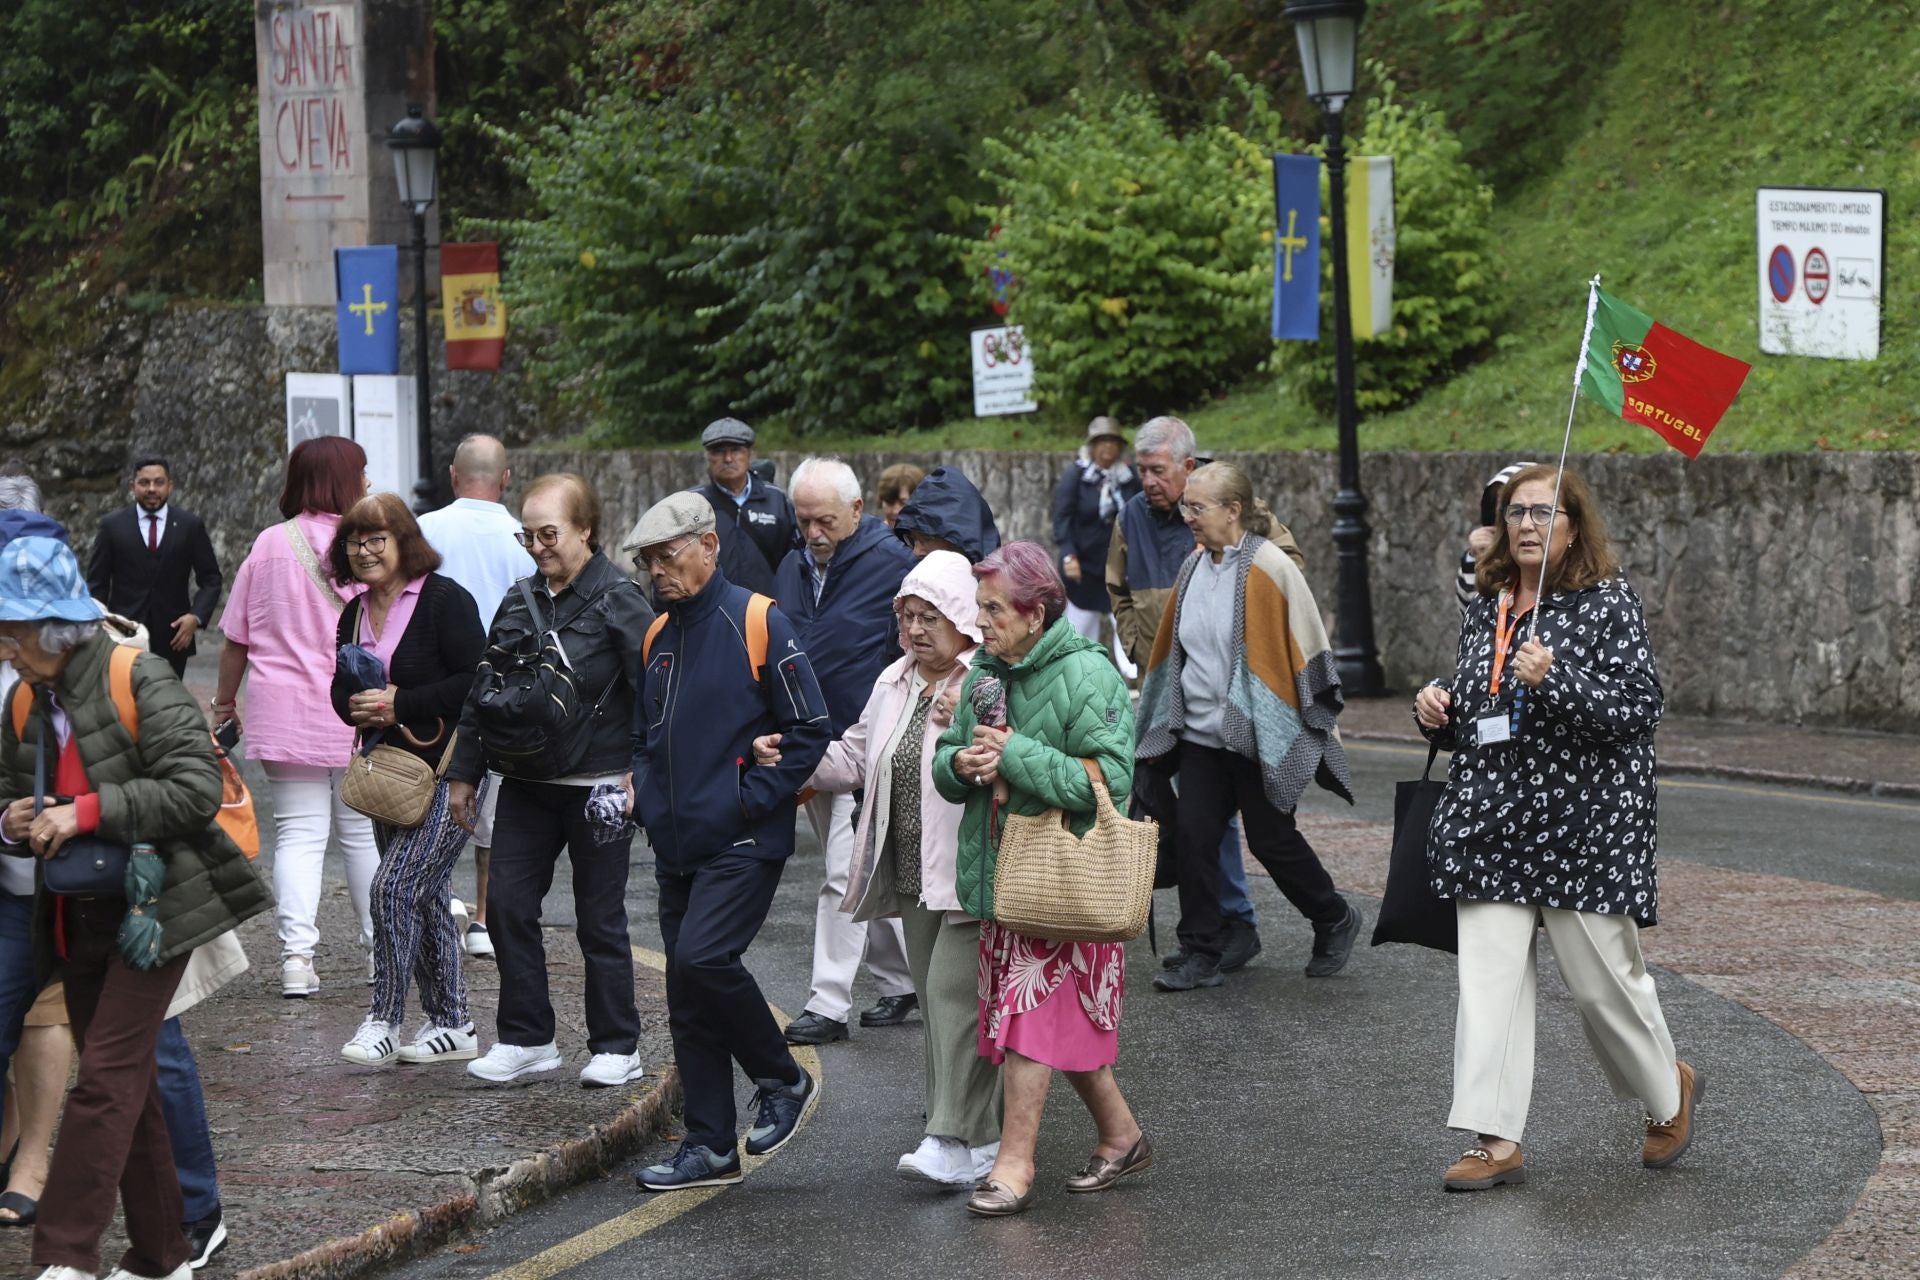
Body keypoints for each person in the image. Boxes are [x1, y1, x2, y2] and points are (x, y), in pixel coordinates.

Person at [1414, 464, 1699, 1191]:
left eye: (1545, 513)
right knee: (1489, 986)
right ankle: (1494, 1137)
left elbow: (1639, 708)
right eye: (1517, 513)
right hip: (1492, 823)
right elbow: (1484, 717)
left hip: (1586, 827)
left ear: (1574, 527)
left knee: (1604, 985)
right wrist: (1440, 711)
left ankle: (1668, 1090)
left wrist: (1557, 680)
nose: (1529, 526)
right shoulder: (1489, 604)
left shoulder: (1607, 601)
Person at [0, 535, 268, 1280]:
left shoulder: (137, 673)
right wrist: (12, 821)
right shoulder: (25, 697)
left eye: (11, 632)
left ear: (52, 629)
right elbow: (7, 795)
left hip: (157, 907)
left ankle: (65, 1256)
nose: (4, 648)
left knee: (107, 1078)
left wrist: (83, 813)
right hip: (71, 913)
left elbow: (195, 792)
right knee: (134, 1085)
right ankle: (159, 1257)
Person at [757, 550, 1001, 1187]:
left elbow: (1007, 753)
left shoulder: (985, 679)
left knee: (952, 999)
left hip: (970, 870)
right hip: (912, 871)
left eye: (931, 617)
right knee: (941, 1002)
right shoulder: (894, 680)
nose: (916, 630)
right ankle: (976, 1138)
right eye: (907, 617)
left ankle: (952, 1136)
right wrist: (785, 761)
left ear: (963, 620)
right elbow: (854, 759)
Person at [930, 542, 1146, 1218]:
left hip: (1065, 879)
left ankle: (1013, 1165)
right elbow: (947, 757)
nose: (981, 621)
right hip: (1006, 877)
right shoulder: (986, 675)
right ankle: (1122, 1135)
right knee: (1060, 1030)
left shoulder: (1091, 675)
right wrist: (960, 764)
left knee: (1027, 1024)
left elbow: (1110, 780)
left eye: (994, 609)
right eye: (980, 606)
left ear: (1036, 612)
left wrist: (1015, 755)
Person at [624, 493, 831, 1191]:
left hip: (743, 840)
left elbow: (809, 728)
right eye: (649, 561)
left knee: (704, 959)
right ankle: (710, 1146)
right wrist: (649, 804)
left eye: (669, 555)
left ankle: (781, 1079)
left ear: (709, 546)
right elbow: (643, 737)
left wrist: (753, 800)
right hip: (677, 845)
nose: (658, 570)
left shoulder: (758, 617)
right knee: (687, 990)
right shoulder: (656, 636)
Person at [446, 474, 657, 1087]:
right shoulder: (519, 599)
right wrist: (465, 772)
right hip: (527, 781)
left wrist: (641, 772)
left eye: (549, 533)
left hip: (599, 786)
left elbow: (653, 692)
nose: (537, 546)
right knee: (507, 908)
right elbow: (484, 689)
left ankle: (619, 1045)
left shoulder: (622, 599)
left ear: (585, 529)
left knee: (599, 919)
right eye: (528, 534)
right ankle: (527, 1036)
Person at [1135, 462, 1361, 992]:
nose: (1187, 516)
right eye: (1185, 506)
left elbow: (1308, 647)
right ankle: (1202, 950)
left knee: (1271, 840)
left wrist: (1303, 712)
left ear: (1233, 510)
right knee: (1193, 838)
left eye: (1198, 507)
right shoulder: (1193, 568)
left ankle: (1333, 917)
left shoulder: (1270, 567)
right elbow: (1175, 651)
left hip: (1257, 736)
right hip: (1200, 736)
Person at [1106, 417, 1304, 975]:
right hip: (1170, 690)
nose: (1147, 481)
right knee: (1187, 819)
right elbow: (1117, 588)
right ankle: (1213, 932)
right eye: (1141, 470)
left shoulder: (1237, 509)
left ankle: (1238, 921)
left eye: (1158, 470)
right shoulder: (1129, 519)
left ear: (1187, 467)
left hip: (1236, 698)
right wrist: (1139, 643)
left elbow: (1289, 577)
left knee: (1236, 826)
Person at [212, 436, 378, 998]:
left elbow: (236, 637)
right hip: (356, 706)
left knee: (299, 835)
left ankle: (296, 959)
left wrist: (224, 703)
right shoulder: (365, 543)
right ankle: (382, 949)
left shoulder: (268, 544)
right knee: (359, 833)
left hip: (282, 710)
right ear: (344, 480)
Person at [328, 494, 487, 1067]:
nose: (365, 552)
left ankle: (384, 1020)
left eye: (377, 540)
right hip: (387, 776)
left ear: (403, 542)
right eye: (355, 541)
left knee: (392, 888)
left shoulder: (444, 600)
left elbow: (477, 680)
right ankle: (453, 1023)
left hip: (450, 771)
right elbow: (339, 687)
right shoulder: (353, 611)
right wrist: (358, 708)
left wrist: (404, 703)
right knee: (423, 897)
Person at [773, 458, 916, 1045]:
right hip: (807, 743)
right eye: (804, 520)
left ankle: (827, 1003)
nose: (813, 533)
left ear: (858, 511)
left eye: (825, 520)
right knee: (865, 871)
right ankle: (903, 980)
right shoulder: (790, 565)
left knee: (842, 871)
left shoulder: (892, 566)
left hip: (866, 744)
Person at [417, 434, 538, 962]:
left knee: (434, 800)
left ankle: (436, 901)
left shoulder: (425, 529)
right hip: (506, 682)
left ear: (451, 474)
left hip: (439, 686)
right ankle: (485, 920)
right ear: (506, 478)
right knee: (494, 809)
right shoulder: (524, 536)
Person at [84, 455, 224, 679]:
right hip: (123, 635)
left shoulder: (190, 526)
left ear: (170, 486)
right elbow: (97, 583)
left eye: (158, 482)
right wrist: (99, 625)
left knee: (167, 705)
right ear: (132, 486)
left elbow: (211, 579)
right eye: (144, 482)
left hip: (174, 637)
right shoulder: (112, 526)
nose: (151, 489)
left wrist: (195, 617)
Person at [1052, 418, 1141, 678]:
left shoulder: (1129, 478)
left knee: (1126, 621)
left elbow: (1137, 515)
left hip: (1120, 565)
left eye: (1113, 442)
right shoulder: (1076, 476)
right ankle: (1080, 676)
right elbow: (1062, 518)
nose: (1107, 448)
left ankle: (1134, 676)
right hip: (1085, 567)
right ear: (1091, 446)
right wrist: (1068, 553)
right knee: (1080, 627)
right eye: (1102, 442)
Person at [690, 418, 796, 597]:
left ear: (750, 455)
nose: (728, 458)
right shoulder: (693, 503)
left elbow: (795, 559)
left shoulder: (776, 499)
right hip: (712, 615)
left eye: (736, 450)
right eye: (719, 451)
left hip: (766, 613)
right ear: (708, 457)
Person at [1456, 461, 1537, 614]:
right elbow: (1472, 618)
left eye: (1538, 512)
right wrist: (1481, 560)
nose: (1526, 526)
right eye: (1507, 511)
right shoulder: (1490, 556)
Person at [893, 465, 1001, 563]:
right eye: (912, 539)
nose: (916, 552)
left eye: (926, 539)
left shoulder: (999, 582)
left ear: (959, 540)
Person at [875, 463, 925, 529]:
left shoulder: (935, 536)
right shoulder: (872, 536)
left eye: (904, 503)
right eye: (890, 502)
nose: (895, 511)